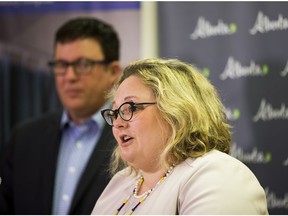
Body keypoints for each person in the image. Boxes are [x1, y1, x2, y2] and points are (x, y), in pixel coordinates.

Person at [91, 58, 268, 215]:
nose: (117, 123)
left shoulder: (216, 175)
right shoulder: (121, 182)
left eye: (132, 108)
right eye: (115, 112)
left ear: (177, 111)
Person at [0, 17, 121, 214]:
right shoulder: (23, 139)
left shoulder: (132, 138)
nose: (70, 76)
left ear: (113, 71)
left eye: (83, 65)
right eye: (61, 65)